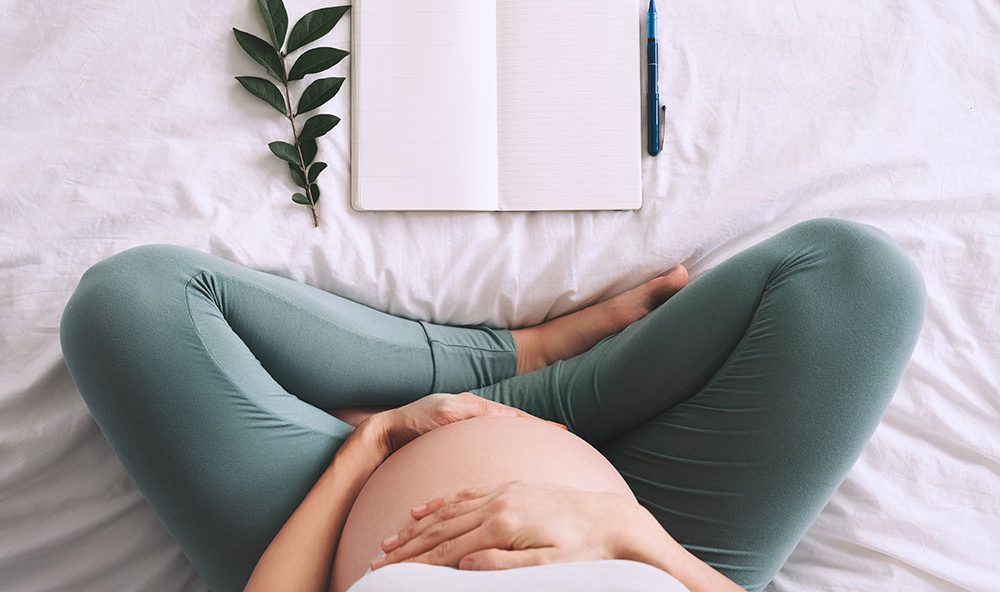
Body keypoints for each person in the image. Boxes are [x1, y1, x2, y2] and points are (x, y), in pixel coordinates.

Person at [58, 218, 926, 592]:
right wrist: (622, 535)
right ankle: (547, 374)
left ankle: (510, 365)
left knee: (131, 304)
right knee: (857, 279)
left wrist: (370, 451)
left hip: (334, 511)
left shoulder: (360, 465)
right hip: (658, 529)